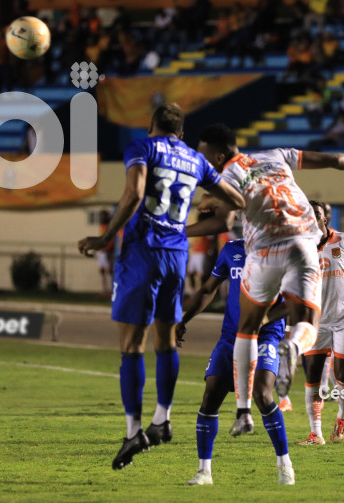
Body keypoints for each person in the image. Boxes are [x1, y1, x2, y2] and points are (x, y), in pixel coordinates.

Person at [193, 123, 344, 485]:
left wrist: (186, 221)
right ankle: (293, 347)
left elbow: (222, 220)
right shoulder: (276, 155)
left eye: (204, 154)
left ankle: (243, 411)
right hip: (304, 246)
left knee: (248, 326)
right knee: (307, 322)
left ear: (218, 154)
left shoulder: (227, 174)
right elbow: (331, 159)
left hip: (264, 251)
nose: (203, 160)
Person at [77, 104, 245, 471]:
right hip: (176, 255)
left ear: (151, 126)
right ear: (181, 134)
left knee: (131, 344)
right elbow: (237, 199)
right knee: (166, 340)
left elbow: (134, 193)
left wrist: (105, 237)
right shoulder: (195, 159)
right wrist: (209, 199)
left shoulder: (142, 147)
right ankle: (163, 418)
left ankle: (133, 431)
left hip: (142, 251)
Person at [177, 238, 287, 485]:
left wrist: (263, 320)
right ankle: (204, 472)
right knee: (211, 393)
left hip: (266, 335)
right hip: (231, 336)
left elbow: (293, 301)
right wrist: (185, 319)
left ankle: (284, 465)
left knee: (262, 393)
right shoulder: (231, 249)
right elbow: (208, 289)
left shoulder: (284, 250)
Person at [297, 201, 344, 446]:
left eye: (316, 214)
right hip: (316, 321)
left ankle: (342, 418)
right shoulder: (300, 247)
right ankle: (316, 434)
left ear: (324, 219)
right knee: (312, 376)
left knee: (342, 375)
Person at [96, 210, 115, 297]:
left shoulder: (109, 227)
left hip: (108, 251)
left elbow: (111, 240)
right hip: (101, 251)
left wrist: (109, 249)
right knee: (102, 271)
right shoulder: (102, 226)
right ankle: (104, 289)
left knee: (109, 271)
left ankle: (111, 290)